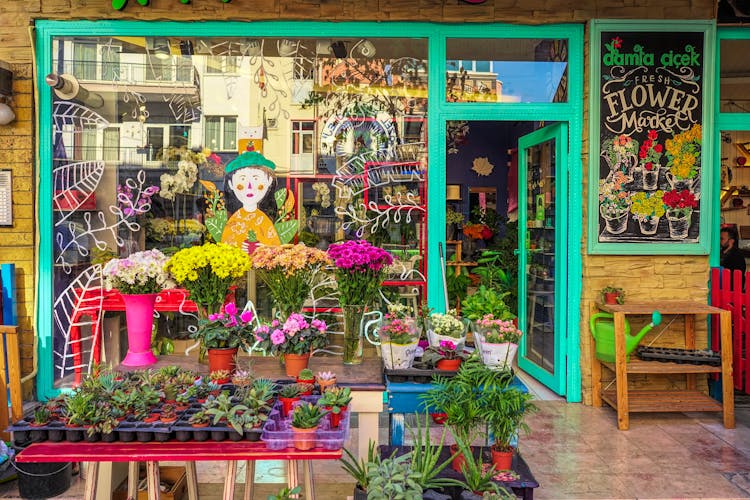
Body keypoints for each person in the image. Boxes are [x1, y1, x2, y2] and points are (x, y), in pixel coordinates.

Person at [221, 148, 281, 251]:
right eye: (242, 179)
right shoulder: (234, 221)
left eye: (256, 179)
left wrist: (264, 248)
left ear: (269, 182)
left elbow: (275, 247)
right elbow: (225, 248)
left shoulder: (264, 220)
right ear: (231, 184)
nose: (249, 186)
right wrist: (239, 249)